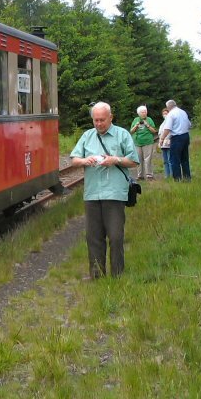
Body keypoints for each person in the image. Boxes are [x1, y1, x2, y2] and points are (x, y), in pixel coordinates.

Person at [70, 102, 139, 278]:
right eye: (95, 120)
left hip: (114, 193)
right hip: (92, 193)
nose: (99, 124)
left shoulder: (122, 134)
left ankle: (117, 275)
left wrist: (115, 160)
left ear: (110, 118)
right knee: (93, 237)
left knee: (115, 236)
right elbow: (74, 159)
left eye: (102, 120)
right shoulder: (87, 136)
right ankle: (96, 275)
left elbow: (134, 161)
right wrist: (85, 161)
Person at [160, 99, 192, 181]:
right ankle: (187, 177)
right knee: (184, 158)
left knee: (174, 159)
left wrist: (162, 138)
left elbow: (167, 129)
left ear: (168, 107)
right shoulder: (183, 112)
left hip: (177, 137)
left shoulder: (171, 114)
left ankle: (177, 178)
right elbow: (189, 125)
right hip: (186, 136)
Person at [130, 105, 156, 180]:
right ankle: (140, 175)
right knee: (138, 159)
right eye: (142, 112)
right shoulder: (136, 120)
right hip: (137, 142)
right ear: (139, 113)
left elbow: (154, 131)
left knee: (148, 159)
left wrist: (147, 125)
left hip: (148, 141)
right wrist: (136, 126)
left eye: (145, 112)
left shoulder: (149, 119)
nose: (144, 113)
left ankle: (149, 175)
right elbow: (131, 131)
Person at [158, 108, 172, 178]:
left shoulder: (170, 122)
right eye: (163, 114)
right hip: (163, 144)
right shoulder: (162, 123)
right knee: (165, 160)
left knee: (170, 160)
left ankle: (172, 175)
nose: (165, 115)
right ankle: (167, 175)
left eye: (166, 113)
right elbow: (160, 133)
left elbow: (170, 132)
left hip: (169, 143)